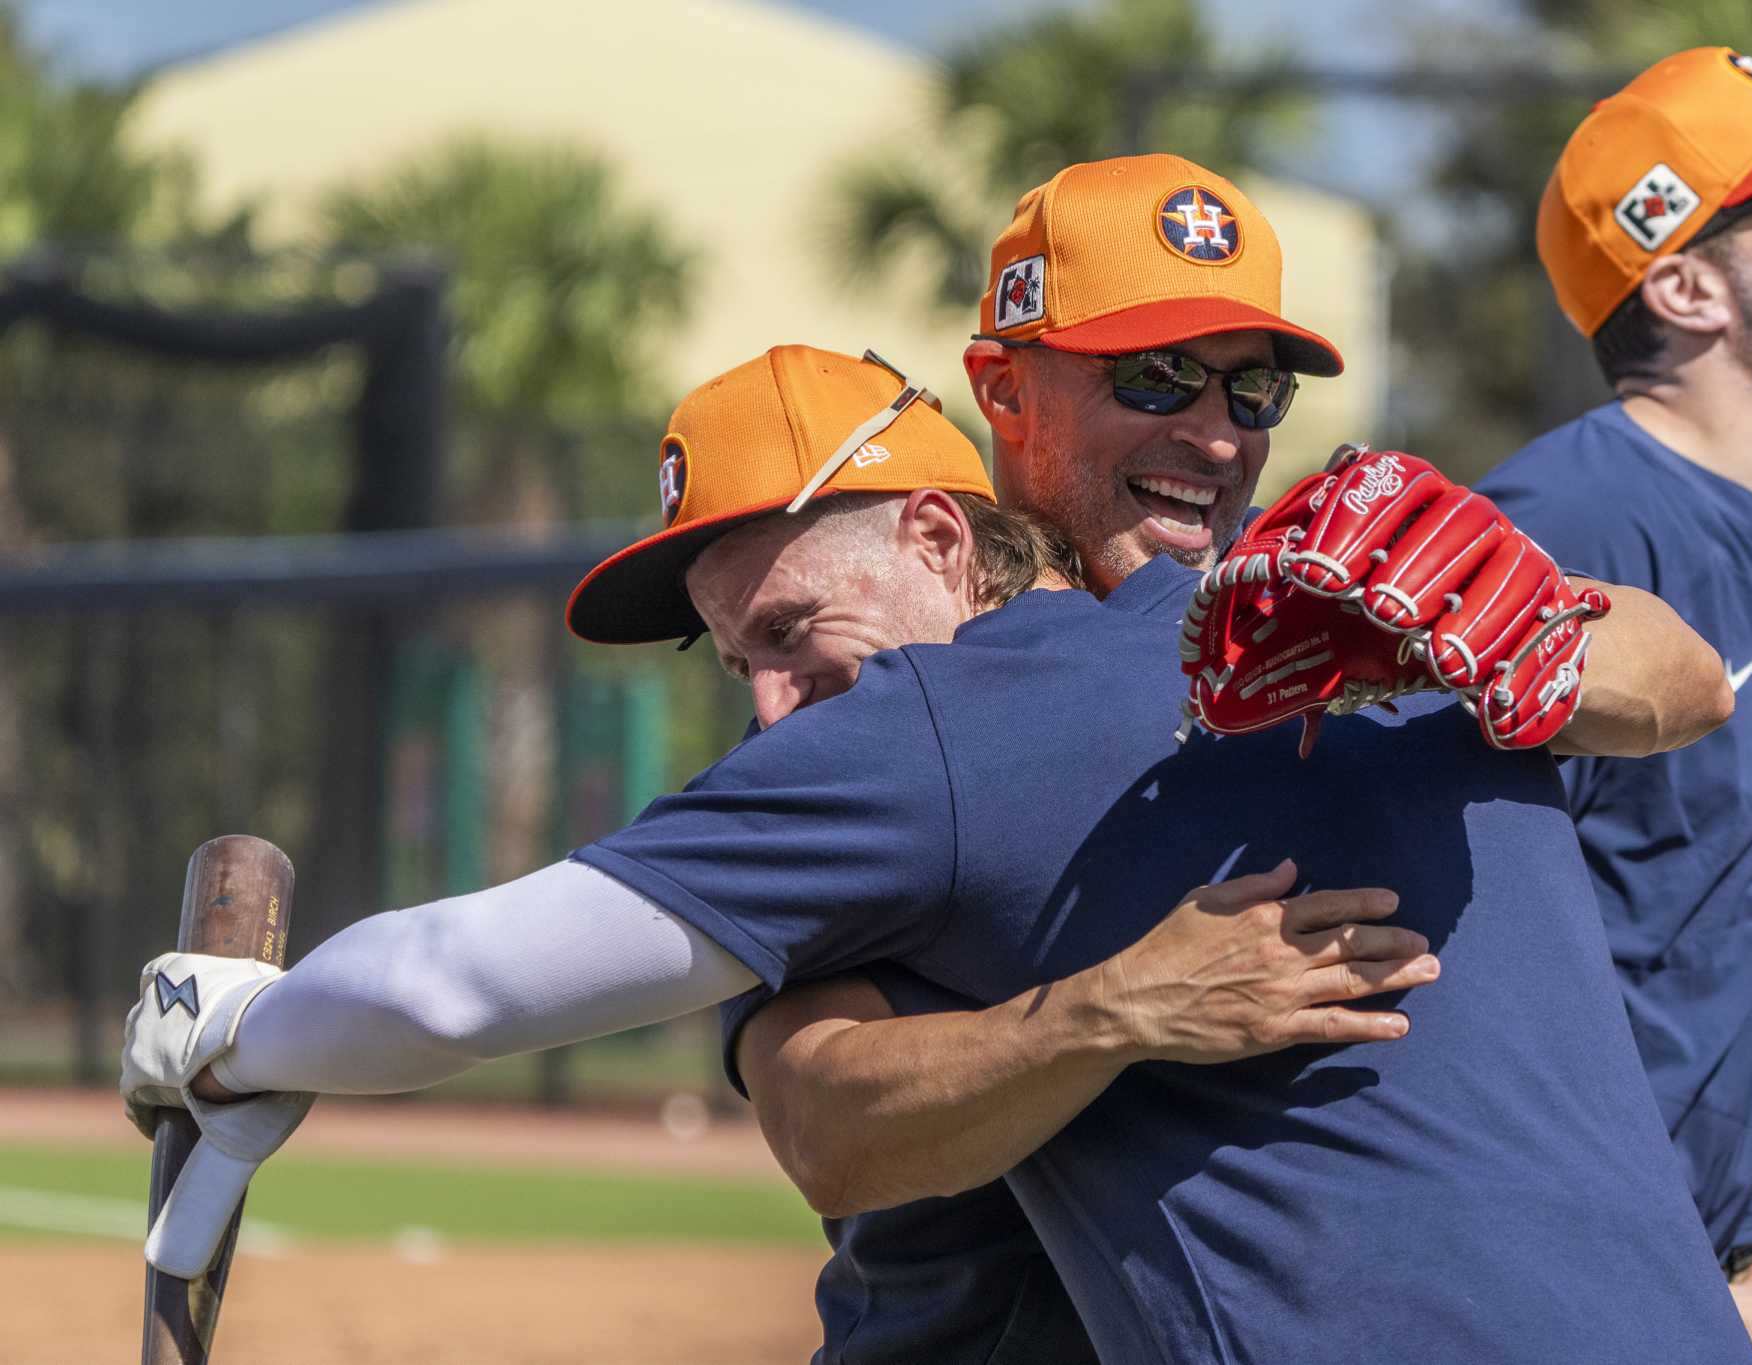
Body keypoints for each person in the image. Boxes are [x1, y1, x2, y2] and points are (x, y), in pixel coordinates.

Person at [118, 343, 1444, 1361]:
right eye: (738, 655)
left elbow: (449, 986)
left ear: (936, 535)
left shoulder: (988, 724)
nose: (766, 704)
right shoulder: (887, 778)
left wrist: (236, 1035)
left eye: (791, 627)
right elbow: (814, 1119)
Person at [641, 158, 1749, 1361]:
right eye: (1155, 376)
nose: (1215, 433)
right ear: (1001, 390)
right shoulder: (897, 728)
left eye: (1253, 389)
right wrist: (1110, 1012)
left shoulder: (1338, 600)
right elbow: (822, 1125)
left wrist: (1458, 645)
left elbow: (1685, 680)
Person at [1475, 48, 1752, 1364]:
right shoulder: (1570, 525)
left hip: (1672, 1289)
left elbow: (1705, 976)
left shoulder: (1750, 537)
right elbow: (1382, 974)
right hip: (1530, 1302)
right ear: (1682, 283)